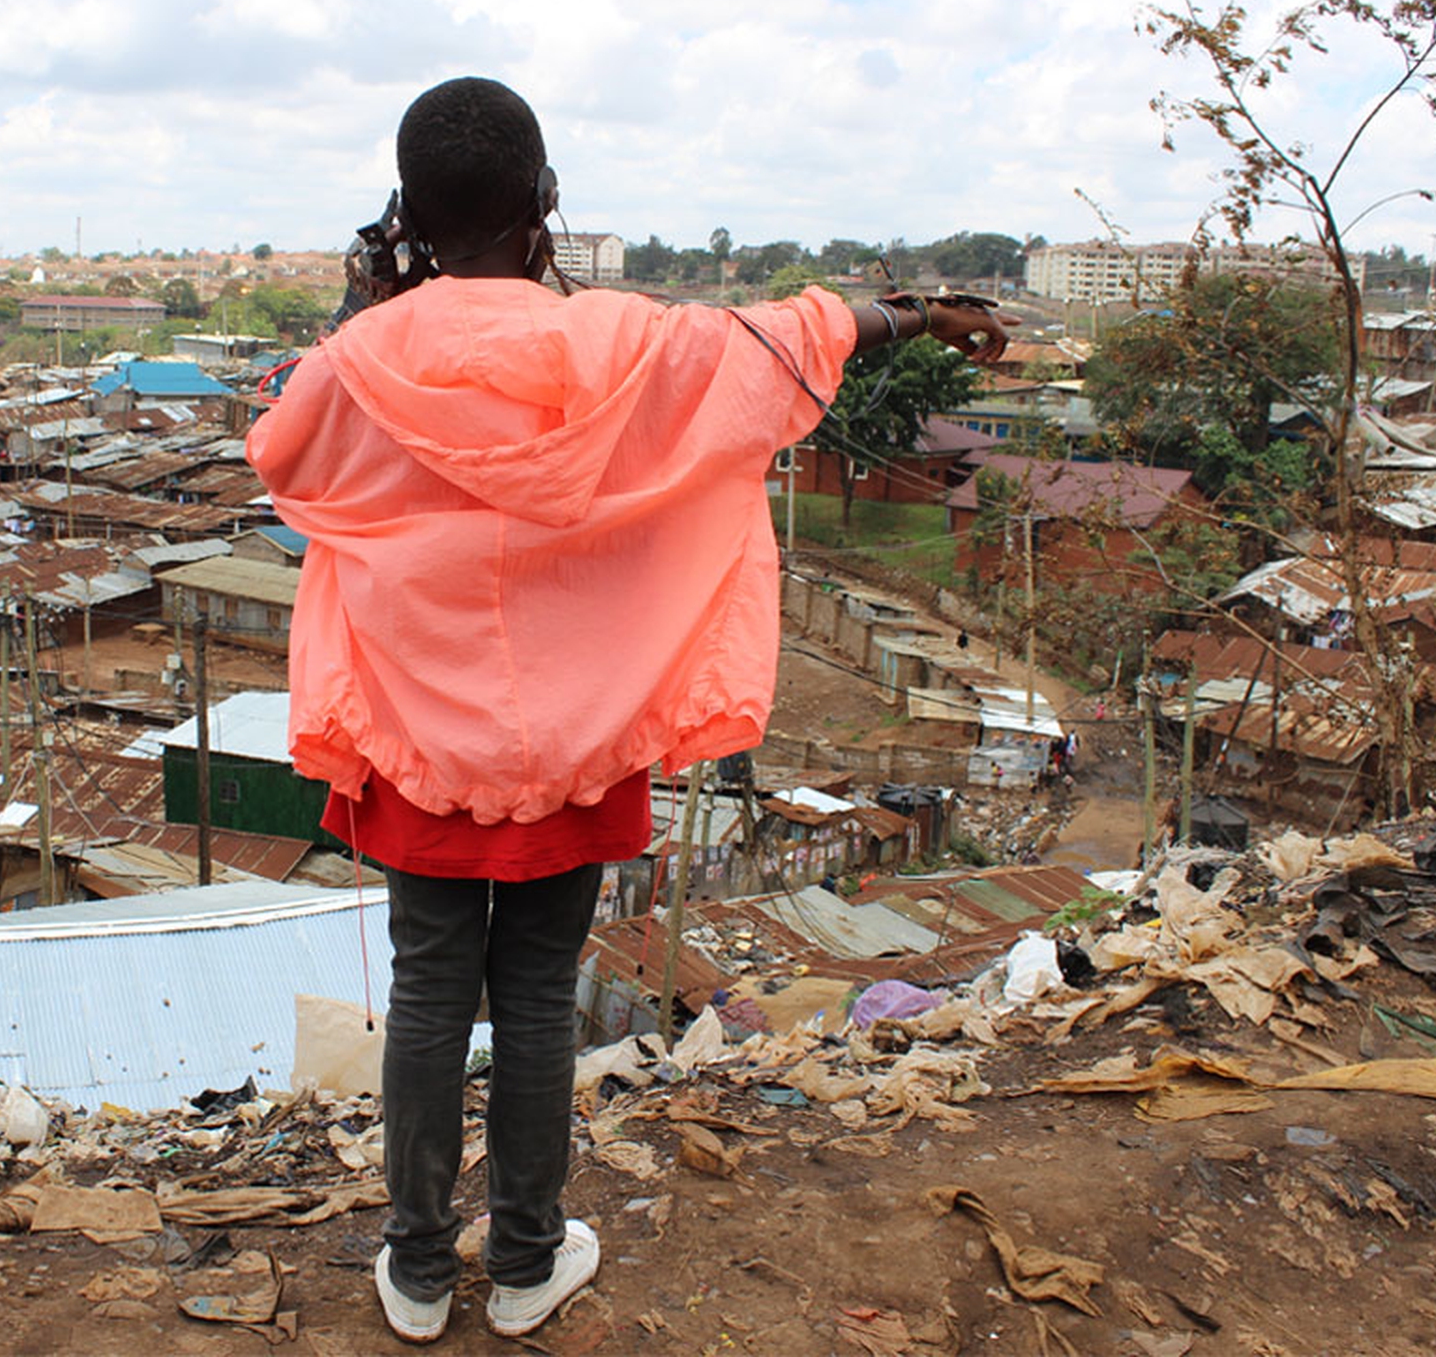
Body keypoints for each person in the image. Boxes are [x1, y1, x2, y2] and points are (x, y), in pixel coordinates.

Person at [245, 76, 1012, 1345]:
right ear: (546, 204)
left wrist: (369, 306)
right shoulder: (627, 341)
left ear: (409, 213)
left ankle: (420, 1274)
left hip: (421, 739)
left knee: (431, 995)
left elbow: (286, 449)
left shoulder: (354, 361)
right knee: (540, 995)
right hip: (579, 733)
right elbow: (785, 340)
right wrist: (922, 312)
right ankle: (531, 1263)